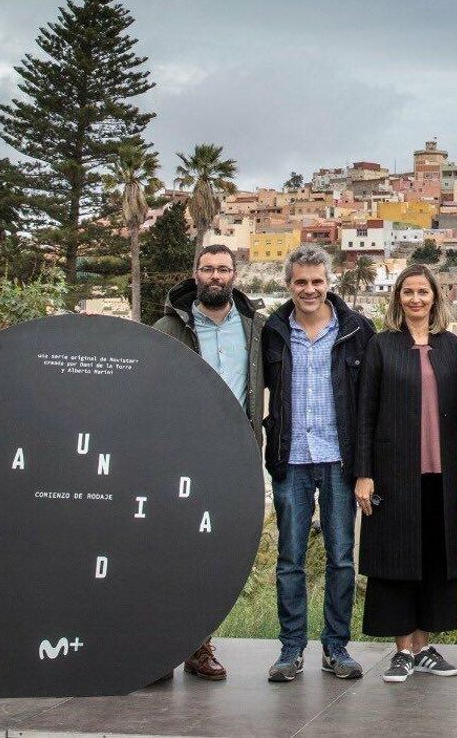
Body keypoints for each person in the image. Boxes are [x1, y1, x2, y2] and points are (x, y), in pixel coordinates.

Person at [151, 243, 266, 682]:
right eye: (207, 269)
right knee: (169, 550)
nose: (215, 276)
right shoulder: (167, 327)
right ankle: (162, 648)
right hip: (180, 454)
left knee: (213, 553)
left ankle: (198, 647)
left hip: (234, 455)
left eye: (223, 269)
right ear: (194, 274)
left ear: (235, 275)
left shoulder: (256, 329)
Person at [261, 244, 373, 683]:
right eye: (301, 282)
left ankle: (335, 647)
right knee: (290, 559)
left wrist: (365, 466)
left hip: (339, 461)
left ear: (330, 283)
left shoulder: (356, 331)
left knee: (341, 558)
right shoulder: (272, 332)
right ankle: (291, 649)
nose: (309, 289)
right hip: (291, 459)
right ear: (289, 285)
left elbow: (367, 405)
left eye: (317, 281)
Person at [353, 263, 457, 684]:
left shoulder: (452, 346)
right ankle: (402, 649)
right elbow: (364, 413)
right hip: (394, 473)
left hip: (443, 473)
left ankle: (424, 647)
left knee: (435, 559)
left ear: (435, 297)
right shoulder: (382, 346)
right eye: (408, 292)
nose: (416, 299)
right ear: (397, 299)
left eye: (423, 292)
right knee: (397, 558)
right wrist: (363, 473)